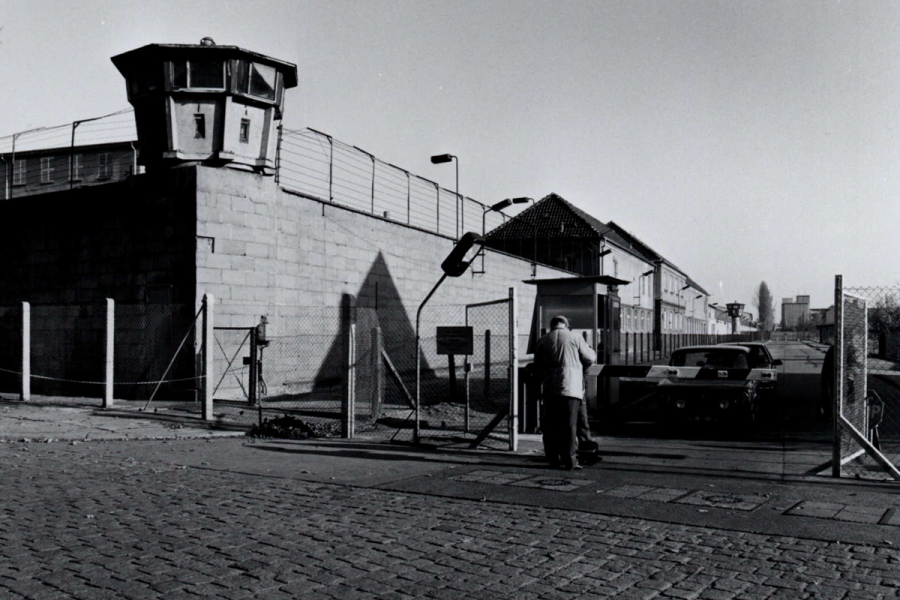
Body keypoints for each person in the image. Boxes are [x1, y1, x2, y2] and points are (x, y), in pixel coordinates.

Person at [534, 315, 596, 470]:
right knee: (569, 426)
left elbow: (538, 365)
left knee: (550, 426)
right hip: (571, 387)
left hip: (550, 388)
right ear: (566, 325)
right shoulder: (575, 337)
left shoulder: (543, 340)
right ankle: (570, 461)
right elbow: (590, 357)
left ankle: (552, 459)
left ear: (552, 325)